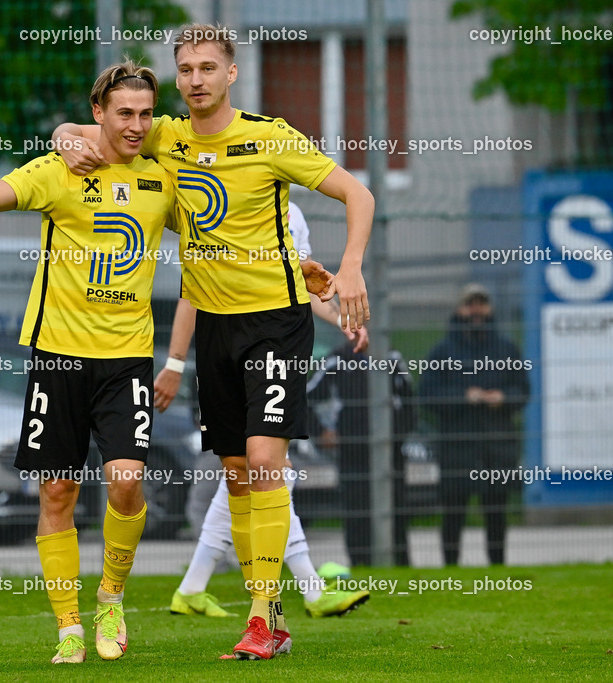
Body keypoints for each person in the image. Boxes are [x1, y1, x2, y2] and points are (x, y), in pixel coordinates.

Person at [52, 23, 373, 660]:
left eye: (208, 67)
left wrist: (352, 265)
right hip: (216, 330)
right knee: (235, 472)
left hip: (276, 321)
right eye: (186, 68)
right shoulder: (164, 135)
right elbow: (94, 130)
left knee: (262, 460)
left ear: (231, 74)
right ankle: (270, 614)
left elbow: (356, 192)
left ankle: (263, 618)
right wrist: (65, 137)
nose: (196, 78)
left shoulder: (268, 137)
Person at [0, 61, 175, 665]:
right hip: (59, 359)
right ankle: (69, 626)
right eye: (124, 112)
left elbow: (215, 233)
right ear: (100, 112)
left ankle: (111, 598)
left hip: (126, 361)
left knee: (125, 481)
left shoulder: (163, 174)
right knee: (58, 491)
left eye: (146, 113)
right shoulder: (60, 169)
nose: (137, 124)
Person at [159, 202, 370, 623]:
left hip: (274, 352)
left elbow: (304, 287)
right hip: (223, 358)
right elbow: (191, 293)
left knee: (266, 470)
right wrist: (175, 363)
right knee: (244, 474)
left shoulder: (292, 213)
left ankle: (293, 592)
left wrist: (340, 316)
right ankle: (206, 586)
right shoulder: (214, 201)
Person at [418, 284, 529, 566]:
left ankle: (498, 566)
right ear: (459, 309)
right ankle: (450, 567)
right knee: (453, 511)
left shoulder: (505, 348)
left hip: (497, 446)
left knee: (496, 512)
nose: (476, 310)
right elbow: (427, 396)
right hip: (457, 447)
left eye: (482, 304)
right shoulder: (443, 351)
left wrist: (502, 399)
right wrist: (463, 398)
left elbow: (523, 390)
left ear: (490, 309)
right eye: (470, 304)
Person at [306, 342, 416, 567]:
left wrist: (397, 435)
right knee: (357, 510)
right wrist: (321, 432)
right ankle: (360, 564)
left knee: (396, 509)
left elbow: (410, 403)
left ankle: (400, 564)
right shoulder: (337, 360)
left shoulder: (392, 358)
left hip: (390, 453)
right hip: (353, 452)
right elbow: (304, 399)